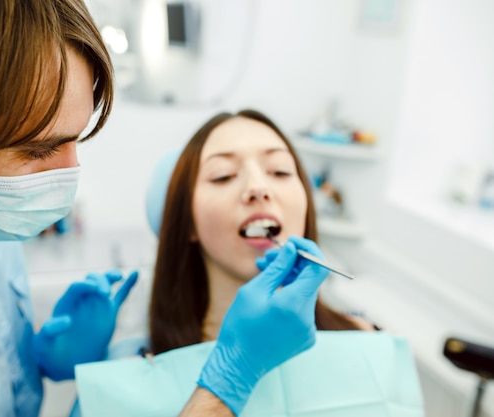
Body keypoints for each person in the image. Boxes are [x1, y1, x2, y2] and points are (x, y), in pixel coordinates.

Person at [0, 2, 328, 417]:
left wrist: (40, 359)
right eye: (36, 149)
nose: (70, 172)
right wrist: (231, 378)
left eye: (76, 139)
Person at [147, 109, 375, 357]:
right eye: (223, 176)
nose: (258, 187)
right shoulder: (146, 367)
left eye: (280, 171)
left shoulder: (365, 339)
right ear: (188, 221)